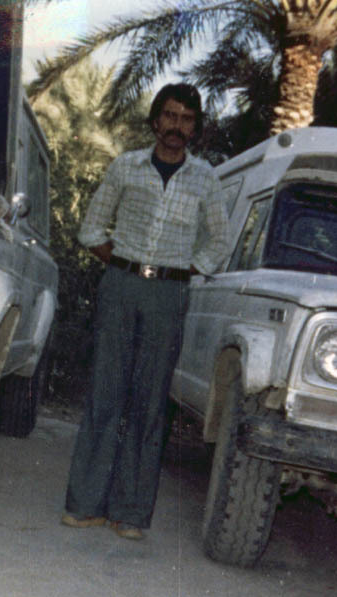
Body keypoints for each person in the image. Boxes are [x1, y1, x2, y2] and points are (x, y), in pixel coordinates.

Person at [62, 82, 230, 540]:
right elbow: (91, 228)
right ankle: (84, 504)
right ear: (156, 120)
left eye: (187, 119)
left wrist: (183, 271)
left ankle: (131, 513)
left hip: (167, 297)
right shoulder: (126, 166)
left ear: (195, 127)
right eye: (170, 116)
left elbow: (220, 240)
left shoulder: (206, 179)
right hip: (122, 287)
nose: (177, 126)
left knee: (150, 401)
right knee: (106, 390)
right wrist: (123, 265)